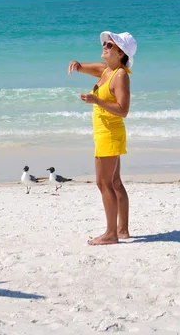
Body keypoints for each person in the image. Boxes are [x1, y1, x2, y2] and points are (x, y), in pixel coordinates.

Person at [68, 31, 137, 245]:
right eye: (106, 43)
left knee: (103, 182)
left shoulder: (120, 75)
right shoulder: (107, 70)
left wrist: (96, 100)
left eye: (110, 44)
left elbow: (123, 110)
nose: (105, 46)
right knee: (114, 182)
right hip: (104, 133)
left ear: (121, 52)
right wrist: (77, 65)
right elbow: (87, 67)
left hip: (110, 133)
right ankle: (122, 229)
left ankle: (110, 234)